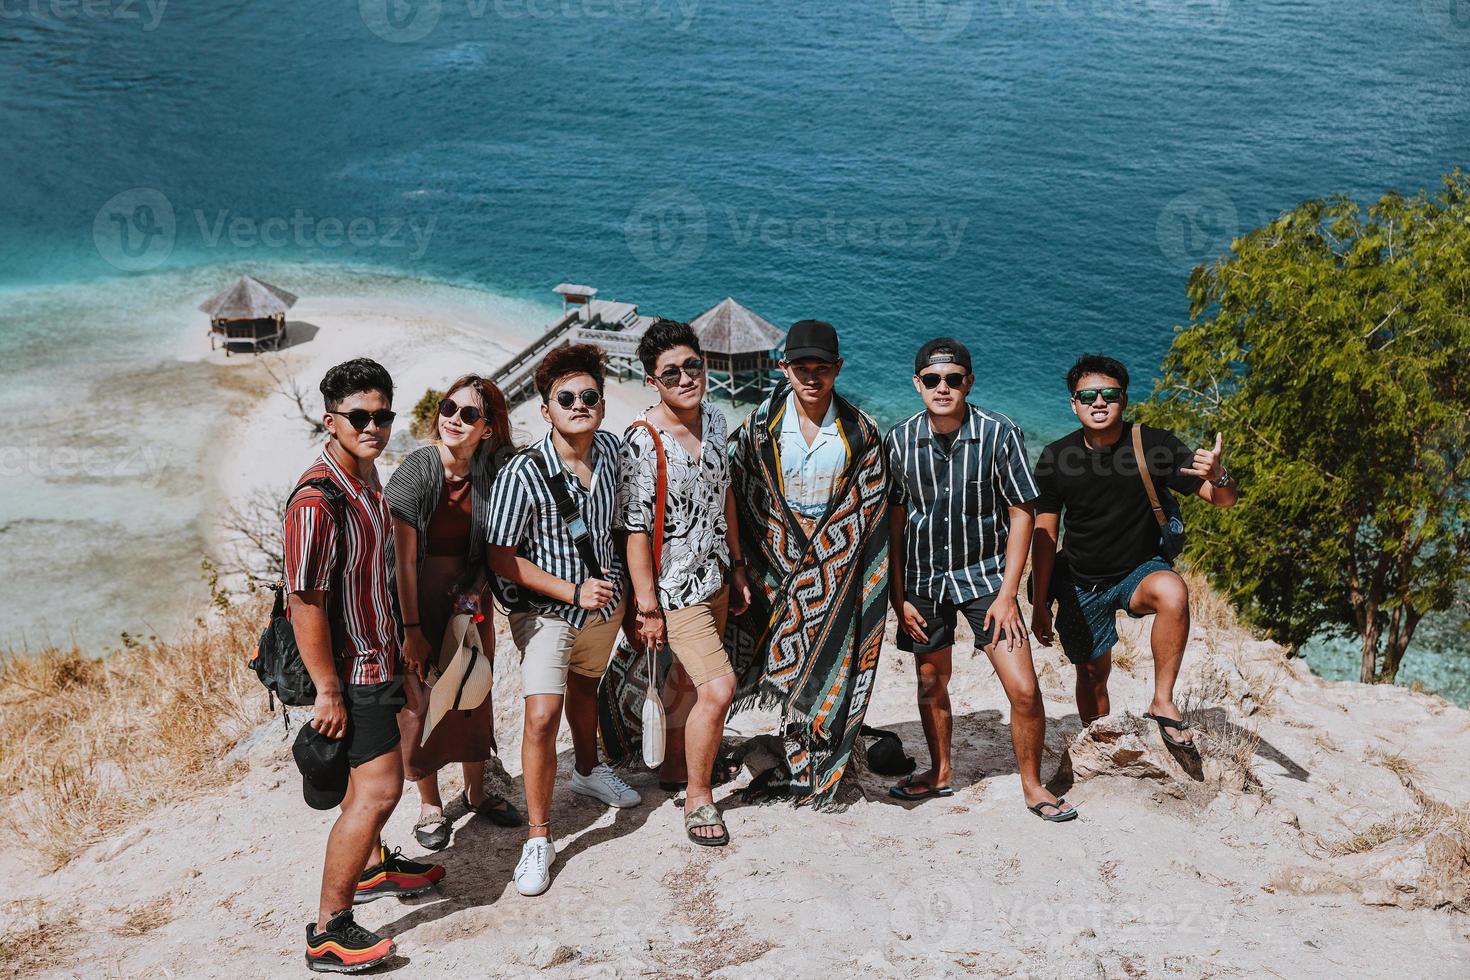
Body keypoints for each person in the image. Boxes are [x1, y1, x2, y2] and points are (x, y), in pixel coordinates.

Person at [284, 358, 445, 974]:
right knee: (379, 790)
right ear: (332, 420)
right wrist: (328, 689)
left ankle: (374, 866)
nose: (373, 426)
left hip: (382, 656)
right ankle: (329, 931)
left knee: (369, 782)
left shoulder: (368, 479)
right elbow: (306, 601)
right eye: (359, 417)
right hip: (351, 673)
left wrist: (405, 641)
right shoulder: (317, 501)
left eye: (382, 415)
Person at [886, 339, 1076, 821]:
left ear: (969, 381)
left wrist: (1010, 594)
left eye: (953, 379)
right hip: (924, 578)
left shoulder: (1000, 432)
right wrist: (897, 594)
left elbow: (1022, 513)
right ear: (917, 384)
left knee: (1025, 689)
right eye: (932, 380)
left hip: (988, 578)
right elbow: (894, 518)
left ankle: (1032, 785)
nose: (943, 388)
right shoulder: (899, 440)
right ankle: (940, 771)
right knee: (931, 680)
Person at [487, 343, 642, 897]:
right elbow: (502, 555)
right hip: (547, 612)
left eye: (589, 396)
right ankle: (539, 836)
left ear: (602, 403)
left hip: (605, 605)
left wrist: (630, 603)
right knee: (540, 717)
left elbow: (626, 531)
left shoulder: (613, 453)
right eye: (566, 398)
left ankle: (587, 769)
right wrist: (571, 590)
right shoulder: (524, 473)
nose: (579, 404)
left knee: (586, 688)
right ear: (545, 408)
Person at [1030, 354, 1238, 751]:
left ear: (1124, 399)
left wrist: (1218, 474)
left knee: (1173, 591)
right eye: (1086, 395)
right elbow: (1045, 534)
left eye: (1109, 393)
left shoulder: (1154, 445)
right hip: (1081, 581)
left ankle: (1163, 701)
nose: (1098, 402)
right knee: (1092, 676)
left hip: (1139, 570)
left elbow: (1223, 500)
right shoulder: (1057, 457)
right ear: (1073, 404)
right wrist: (1040, 601)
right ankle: (1101, 742)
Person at [726, 319, 891, 805]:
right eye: (801, 366)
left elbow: (871, 510)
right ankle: (795, 763)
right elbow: (735, 488)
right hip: (773, 569)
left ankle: (821, 762)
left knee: (828, 666)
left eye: (822, 367)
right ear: (784, 368)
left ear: (838, 369)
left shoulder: (861, 432)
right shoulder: (760, 427)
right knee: (783, 666)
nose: (811, 376)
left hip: (836, 573)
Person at [616, 319, 752, 846]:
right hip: (675, 592)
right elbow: (635, 529)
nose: (684, 378)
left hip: (714, 576)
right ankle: (698, 798)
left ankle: (675, 768)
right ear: (652, 381)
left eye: (692, 366)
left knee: (690, 684)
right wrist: (646, 605)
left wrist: (737, 566)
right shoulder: (642, 442)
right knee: (720, 688)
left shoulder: (717, 421)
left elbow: (726, 497)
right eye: (669, 372)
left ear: (705, 365)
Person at [385, 374, 523, 852]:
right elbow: (401, 559)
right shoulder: (417, 471)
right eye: (448, 408)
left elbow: (493, 543)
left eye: (468, 415)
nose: (453, 420)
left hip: (470, 599)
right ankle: (429, 803)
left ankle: (477, 789)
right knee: (422, 699)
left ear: (487, 428)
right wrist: (412, 630)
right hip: (418, 601)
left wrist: (476, 590)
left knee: (472, 688)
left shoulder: (492, 471)